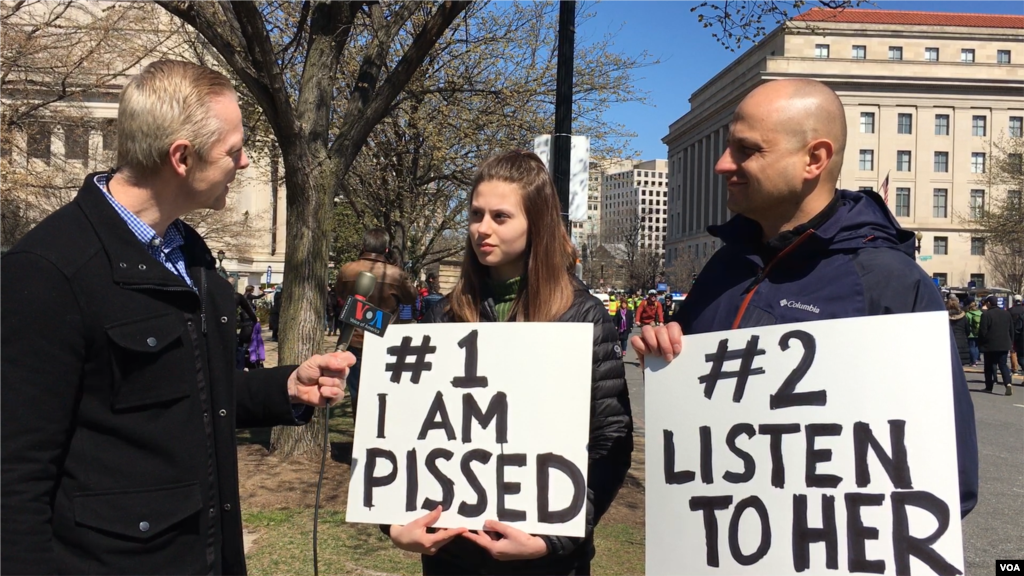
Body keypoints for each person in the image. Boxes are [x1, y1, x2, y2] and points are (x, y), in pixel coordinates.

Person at [0, 60, 354, 576]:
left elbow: (192, 392)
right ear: (182, 158)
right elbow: (15, 478)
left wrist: (286, 389)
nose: (247, 162)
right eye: (234, 150)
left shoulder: (190, 253)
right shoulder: (47, 271)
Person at [631, 78, 978, 518]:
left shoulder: (887, 283)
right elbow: (698, 419)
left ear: (814, 159)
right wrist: (662, 360)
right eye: (726, 148)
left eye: (747, 150)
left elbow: (946, 476)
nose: (722, 165)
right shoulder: (725, 266)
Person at [385, 151, 633, 576]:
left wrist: (555, 538)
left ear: (535, 223)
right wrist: (392, 522)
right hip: (454, 557)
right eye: (476, 214)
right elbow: (405, 434)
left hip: (545, 562)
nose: (482, 228)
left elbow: (613, 438)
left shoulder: (583, 315)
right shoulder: (442, 315)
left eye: (500, 217)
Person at [335, 229, 417, 418]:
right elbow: (411, 298)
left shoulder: (347, 269)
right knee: (386, 392)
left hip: (354, 340)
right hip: (387, 340)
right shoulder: (396, 274)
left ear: (363, 246)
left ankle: (359, 437)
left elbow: (340, 295)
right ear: (387, 249)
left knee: (358, 394)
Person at [979, 295, 1014, 395]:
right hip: (1004, 343)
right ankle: (1008, 383)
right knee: (1003, 364)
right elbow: (1011, 329)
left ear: (989, 303)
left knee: (989, 366)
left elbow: (983, 331)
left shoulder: (986, 314)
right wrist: (1011, 342)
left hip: (990, 344)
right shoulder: (1006, 314)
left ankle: (989, 387)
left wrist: (981, 343)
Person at [949, 299, 970, 367]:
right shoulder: (963, 316)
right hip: (962, 341)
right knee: (960, 365)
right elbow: (967, 329)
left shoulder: (944, 316)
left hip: (950, 340)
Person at [1009, 294, 1024, 373]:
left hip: (1014, 333)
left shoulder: (1010, 310)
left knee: (1014, 351)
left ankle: (1014, 367)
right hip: (1021, 334)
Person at [966, 300, 982, 366]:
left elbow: (966, 323)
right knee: (977, 346)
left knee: (972, 347)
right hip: (978, 332)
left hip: (971, 333)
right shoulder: (980, 313)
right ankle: (977, 359)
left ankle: (973, 361)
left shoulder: (968, 314)